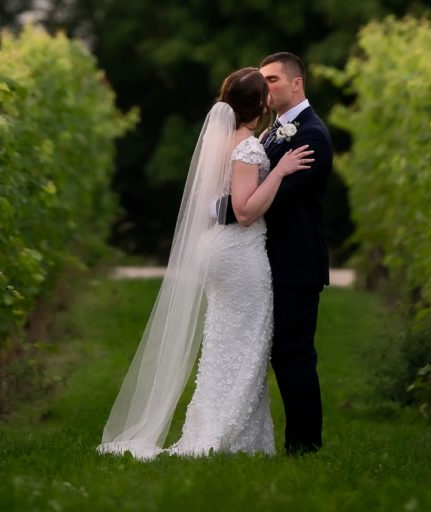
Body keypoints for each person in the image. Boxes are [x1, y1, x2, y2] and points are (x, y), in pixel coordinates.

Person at [97, 67, 314, 460]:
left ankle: (223, 431)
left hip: (215, 248)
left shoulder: (219, 142)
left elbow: (208, 204)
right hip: (238, 252)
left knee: (222, 341)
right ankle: (222, 434)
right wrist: (280, 171)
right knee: (246, 343)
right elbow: (245, 211)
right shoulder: (247, 146)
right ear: (261, 103)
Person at [230, 52, 333, 455]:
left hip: (297, 262)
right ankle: (293, 442)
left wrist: (222, 212)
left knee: (294, 354)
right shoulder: (274, 132)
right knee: (279, 353)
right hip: (270, 260)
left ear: (296, 83)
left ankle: (304, 446)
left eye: (272, 80)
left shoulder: (311, 135)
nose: (265, 87)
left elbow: (273, 200)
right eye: (262, 80)